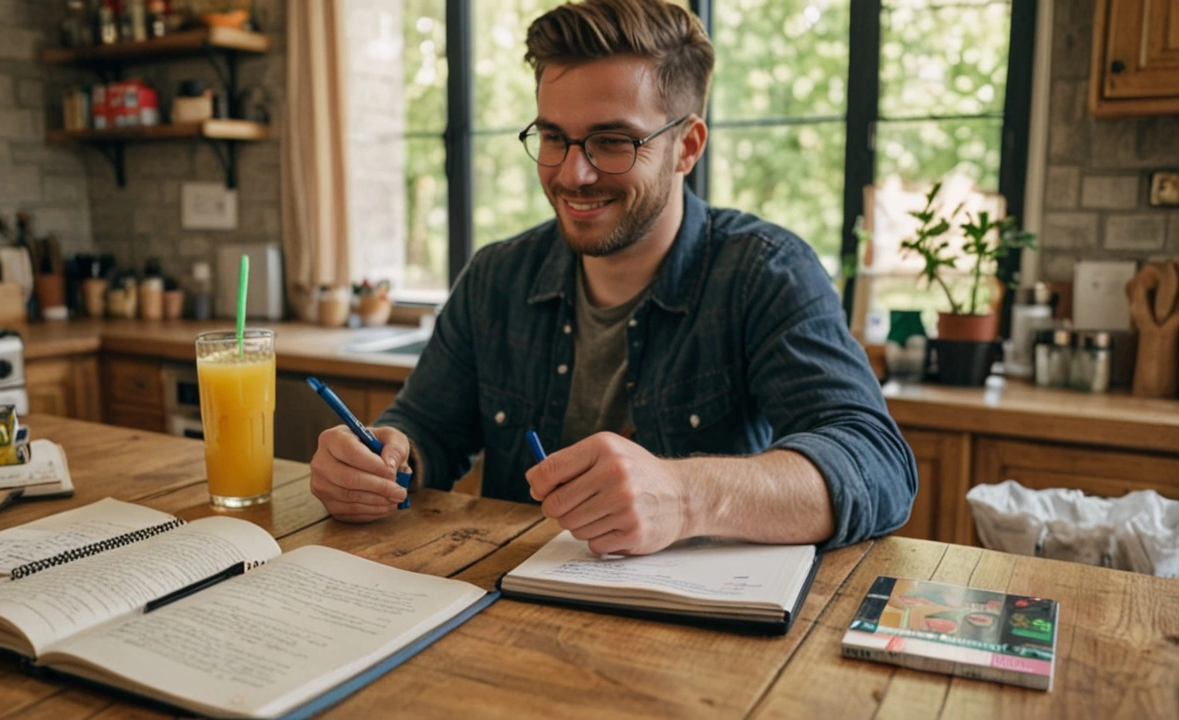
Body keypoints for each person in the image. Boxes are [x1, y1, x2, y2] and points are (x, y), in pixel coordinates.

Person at [311, 0, 917, 555]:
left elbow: (877, 465)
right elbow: (427, 431)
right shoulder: (496, 276)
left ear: (688, 146)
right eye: (553, 136)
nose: (573, 173)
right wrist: (381, 458)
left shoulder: (764, 272)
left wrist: (684, 496)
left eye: (612, 141)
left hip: (701, 641)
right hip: (504, 612)